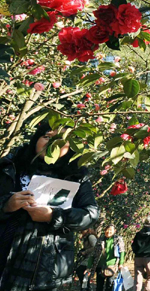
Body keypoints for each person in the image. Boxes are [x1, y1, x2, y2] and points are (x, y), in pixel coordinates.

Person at [0, 121, 100, 290]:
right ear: (36, 139)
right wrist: (6, 205)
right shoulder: (10, 166)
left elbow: (90, 214)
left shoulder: (76, 175)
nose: (52, 144)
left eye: (61, 141)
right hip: (5, 255)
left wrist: (54, 216)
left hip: (47, 268)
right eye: (46, 137)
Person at [94, 224, 125, 291]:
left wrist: (121, 263)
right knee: (99, 286)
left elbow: (122, 251)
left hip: (112, 266)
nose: (108, 231)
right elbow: (94, 252)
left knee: (109, 285)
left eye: (111, 230)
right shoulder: (100, 239)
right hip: (100, 265)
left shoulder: (117, 239)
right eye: (107, 230)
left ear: (114, 231)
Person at [132, 215, 150, 291]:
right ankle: (147, 289)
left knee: (138, 276)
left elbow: (133, 246)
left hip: (138, 257)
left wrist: (137, 252)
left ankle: (137, 289)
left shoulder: (138, 234)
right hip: (149, 258)